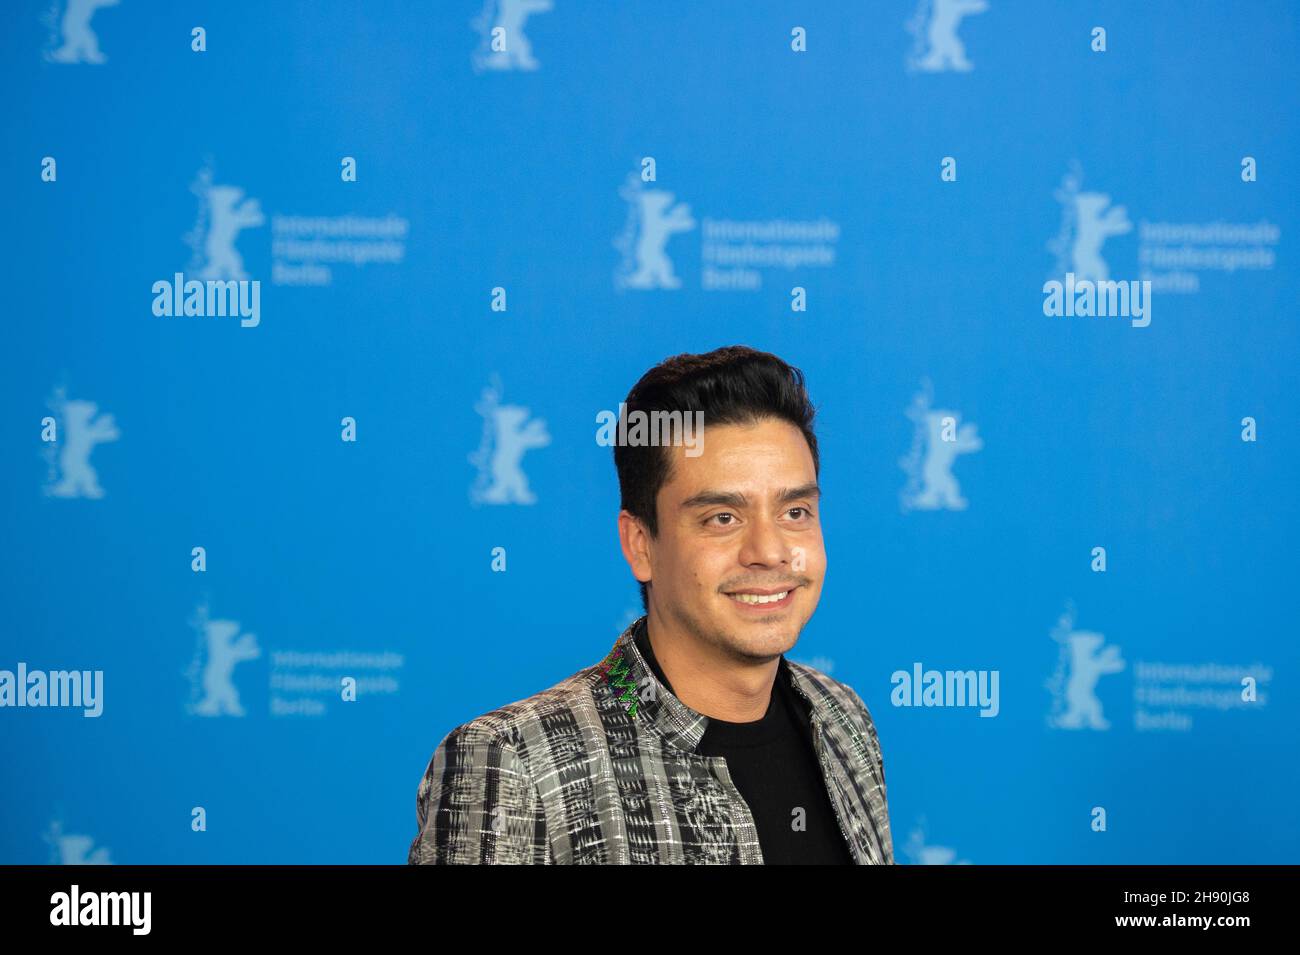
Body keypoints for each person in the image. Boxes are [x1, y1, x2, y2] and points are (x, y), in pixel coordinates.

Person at [408, 345, 893, 864]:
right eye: (722, 518)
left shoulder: (842, 719)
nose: (769, 552)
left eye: (795, 511)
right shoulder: (514, 762)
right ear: (641, 544)